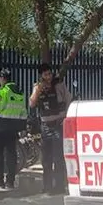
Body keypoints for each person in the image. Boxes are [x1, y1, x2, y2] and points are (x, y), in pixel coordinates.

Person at [29, 63, 73, 194]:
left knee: (58, 157)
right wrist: (38, 90)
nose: (48, 77)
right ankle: (47, 186)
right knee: (46, 159)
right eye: (45, 75)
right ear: (41, 75)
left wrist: (65, 117)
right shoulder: (37, 87)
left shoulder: (59, 85)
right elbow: (32, 104)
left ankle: (59, 186)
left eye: (49, 74)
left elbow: (68, 99)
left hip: (58, 124)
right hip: (45, 127)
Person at [0, 69, 27, 189]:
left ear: (3, 78)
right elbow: (24, 111)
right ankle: (10, 181)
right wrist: (22, 126)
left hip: (3, 124)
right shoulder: (19, 91)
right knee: (11, 153)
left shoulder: (4, 91)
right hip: (15, 126)